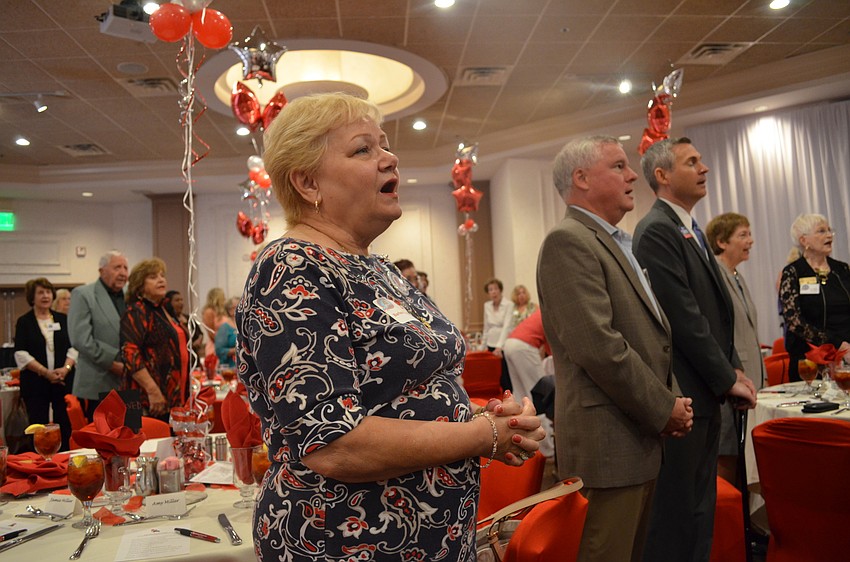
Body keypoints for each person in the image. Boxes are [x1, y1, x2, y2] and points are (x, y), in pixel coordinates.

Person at [236, 92, 544, 561]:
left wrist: (483, 419)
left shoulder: (378, 268)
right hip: (344, 541)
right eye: (364, 149)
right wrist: (484, 437)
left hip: (427, 538)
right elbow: (333, 444)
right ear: (306, 181)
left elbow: (409, 397)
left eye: (384, 145)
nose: (390, 157)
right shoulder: (293, 267)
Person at [537, 136, 693, 562]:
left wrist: (672, 399)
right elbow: (601, 348)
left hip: (634, 437)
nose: (631, 176)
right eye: (619, 166)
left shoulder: (611, 242)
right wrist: (665, 407)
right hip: (606, 445)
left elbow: (653, 337)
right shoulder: (568, 241)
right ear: (582, 178)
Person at [633, 137, 757, 562]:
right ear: (663, 176)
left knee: (697, 513)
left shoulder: (688, 227)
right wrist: (725, 378)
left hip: (702, 393)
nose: (704, 168)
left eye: (702, 160)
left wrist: (733, 370)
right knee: (677, 518)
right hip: (683, 395)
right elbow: (683, 317)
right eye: (692, 162)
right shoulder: (657, 230)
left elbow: (715, 314)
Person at [706, 212, 766, 484]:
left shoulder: (736, 276)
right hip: (731, 380)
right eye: (742, 235)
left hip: (749, 380)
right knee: (727, 455)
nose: (750, 241)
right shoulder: (715, 274)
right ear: (721, 241)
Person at [779, 213, 850, 381]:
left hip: (846, 357)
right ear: (804, 240)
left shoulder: (842, 270)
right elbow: (794, 321)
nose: (828, 235)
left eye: (829, 230)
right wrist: (835, 343)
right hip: (809, 361)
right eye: (821, 231)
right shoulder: (793, 272)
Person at [14, 278, 78, 451]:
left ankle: (65, 461)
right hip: (36, 383)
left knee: (64, 424)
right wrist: (45, 372)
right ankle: (41, 465)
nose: (45, 296)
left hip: (62, 381)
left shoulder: (63, 319)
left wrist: (65, 369)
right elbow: (21, 353)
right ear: (32, 297)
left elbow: (74, 347)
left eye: (48, 292)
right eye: (40, 292)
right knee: (38, 425)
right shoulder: (24, 322)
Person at [121, 258, 188, 421]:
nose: (161, 279)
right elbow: (130, 355)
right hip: (148, 397)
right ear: (139, 285)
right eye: (153, 277)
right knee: (149, 445)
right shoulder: (137, 311)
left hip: (172, 394)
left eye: (162, 275)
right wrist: (153, 391)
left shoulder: (163, 309)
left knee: (171, 444)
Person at [69, 250, 129, 419]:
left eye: (125, 268)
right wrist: (113, 363)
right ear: (102, 271)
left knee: (131, 435)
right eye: (117, 267)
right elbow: (81, 340)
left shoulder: (130, 297)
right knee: (102, 440)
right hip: (98, 383)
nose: (123, 273)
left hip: (128, 383)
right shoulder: (83, 294)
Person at [501, 308, 556, 458]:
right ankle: (548, 451)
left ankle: (521, 445)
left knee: (521, 397)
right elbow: (552, 343)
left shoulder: (540, 311)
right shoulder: (551, 310)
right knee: (542, 398)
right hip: (524, 346)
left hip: (510, 344)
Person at [201, 287, 227, 358]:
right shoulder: (209, 311)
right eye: (223, 296)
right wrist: (224, 343)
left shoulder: (223, 311)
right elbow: (211, 332)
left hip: (226, 347)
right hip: (215, 346)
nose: (225, 299)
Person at [214, 297, 238, 367]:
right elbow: (219, 350)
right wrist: (236, 350)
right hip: (230, 368)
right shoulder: (225, 327)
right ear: (230, 310)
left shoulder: (245, 324)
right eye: (236, 307)